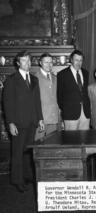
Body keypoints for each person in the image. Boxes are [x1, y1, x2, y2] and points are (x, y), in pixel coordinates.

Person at [3, 50, 44, 192]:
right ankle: (17, 180)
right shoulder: (11, 80)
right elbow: (7, 103)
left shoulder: (34, 79)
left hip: (32, 121)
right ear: (18, 63)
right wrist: (11, 123)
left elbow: (37, 101)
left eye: (28, 60)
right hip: (18, 123)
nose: (27, 63)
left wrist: (40, 119)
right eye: (24, 61)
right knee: (17, 153)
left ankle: (27, 176)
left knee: (28, 152)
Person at [57, 50, 91, 130]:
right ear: (71, 60)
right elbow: (59, 96)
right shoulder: (62, 74)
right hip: (70, 114)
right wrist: (66, 109)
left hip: (85, 113)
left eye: (81, 60)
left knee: (85, 140)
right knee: (71, 140)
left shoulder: (86, 73)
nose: (78, 63)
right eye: (76, 60)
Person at [35, 53, 60, 139]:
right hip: (41, 119)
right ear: (40, 63)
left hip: (54, 119)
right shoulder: (35, 78)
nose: (49, 65)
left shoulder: (55, 78)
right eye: (46, 62)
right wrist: (38, 118)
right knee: (38, 147)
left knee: (52, 146)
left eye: (51, 62)